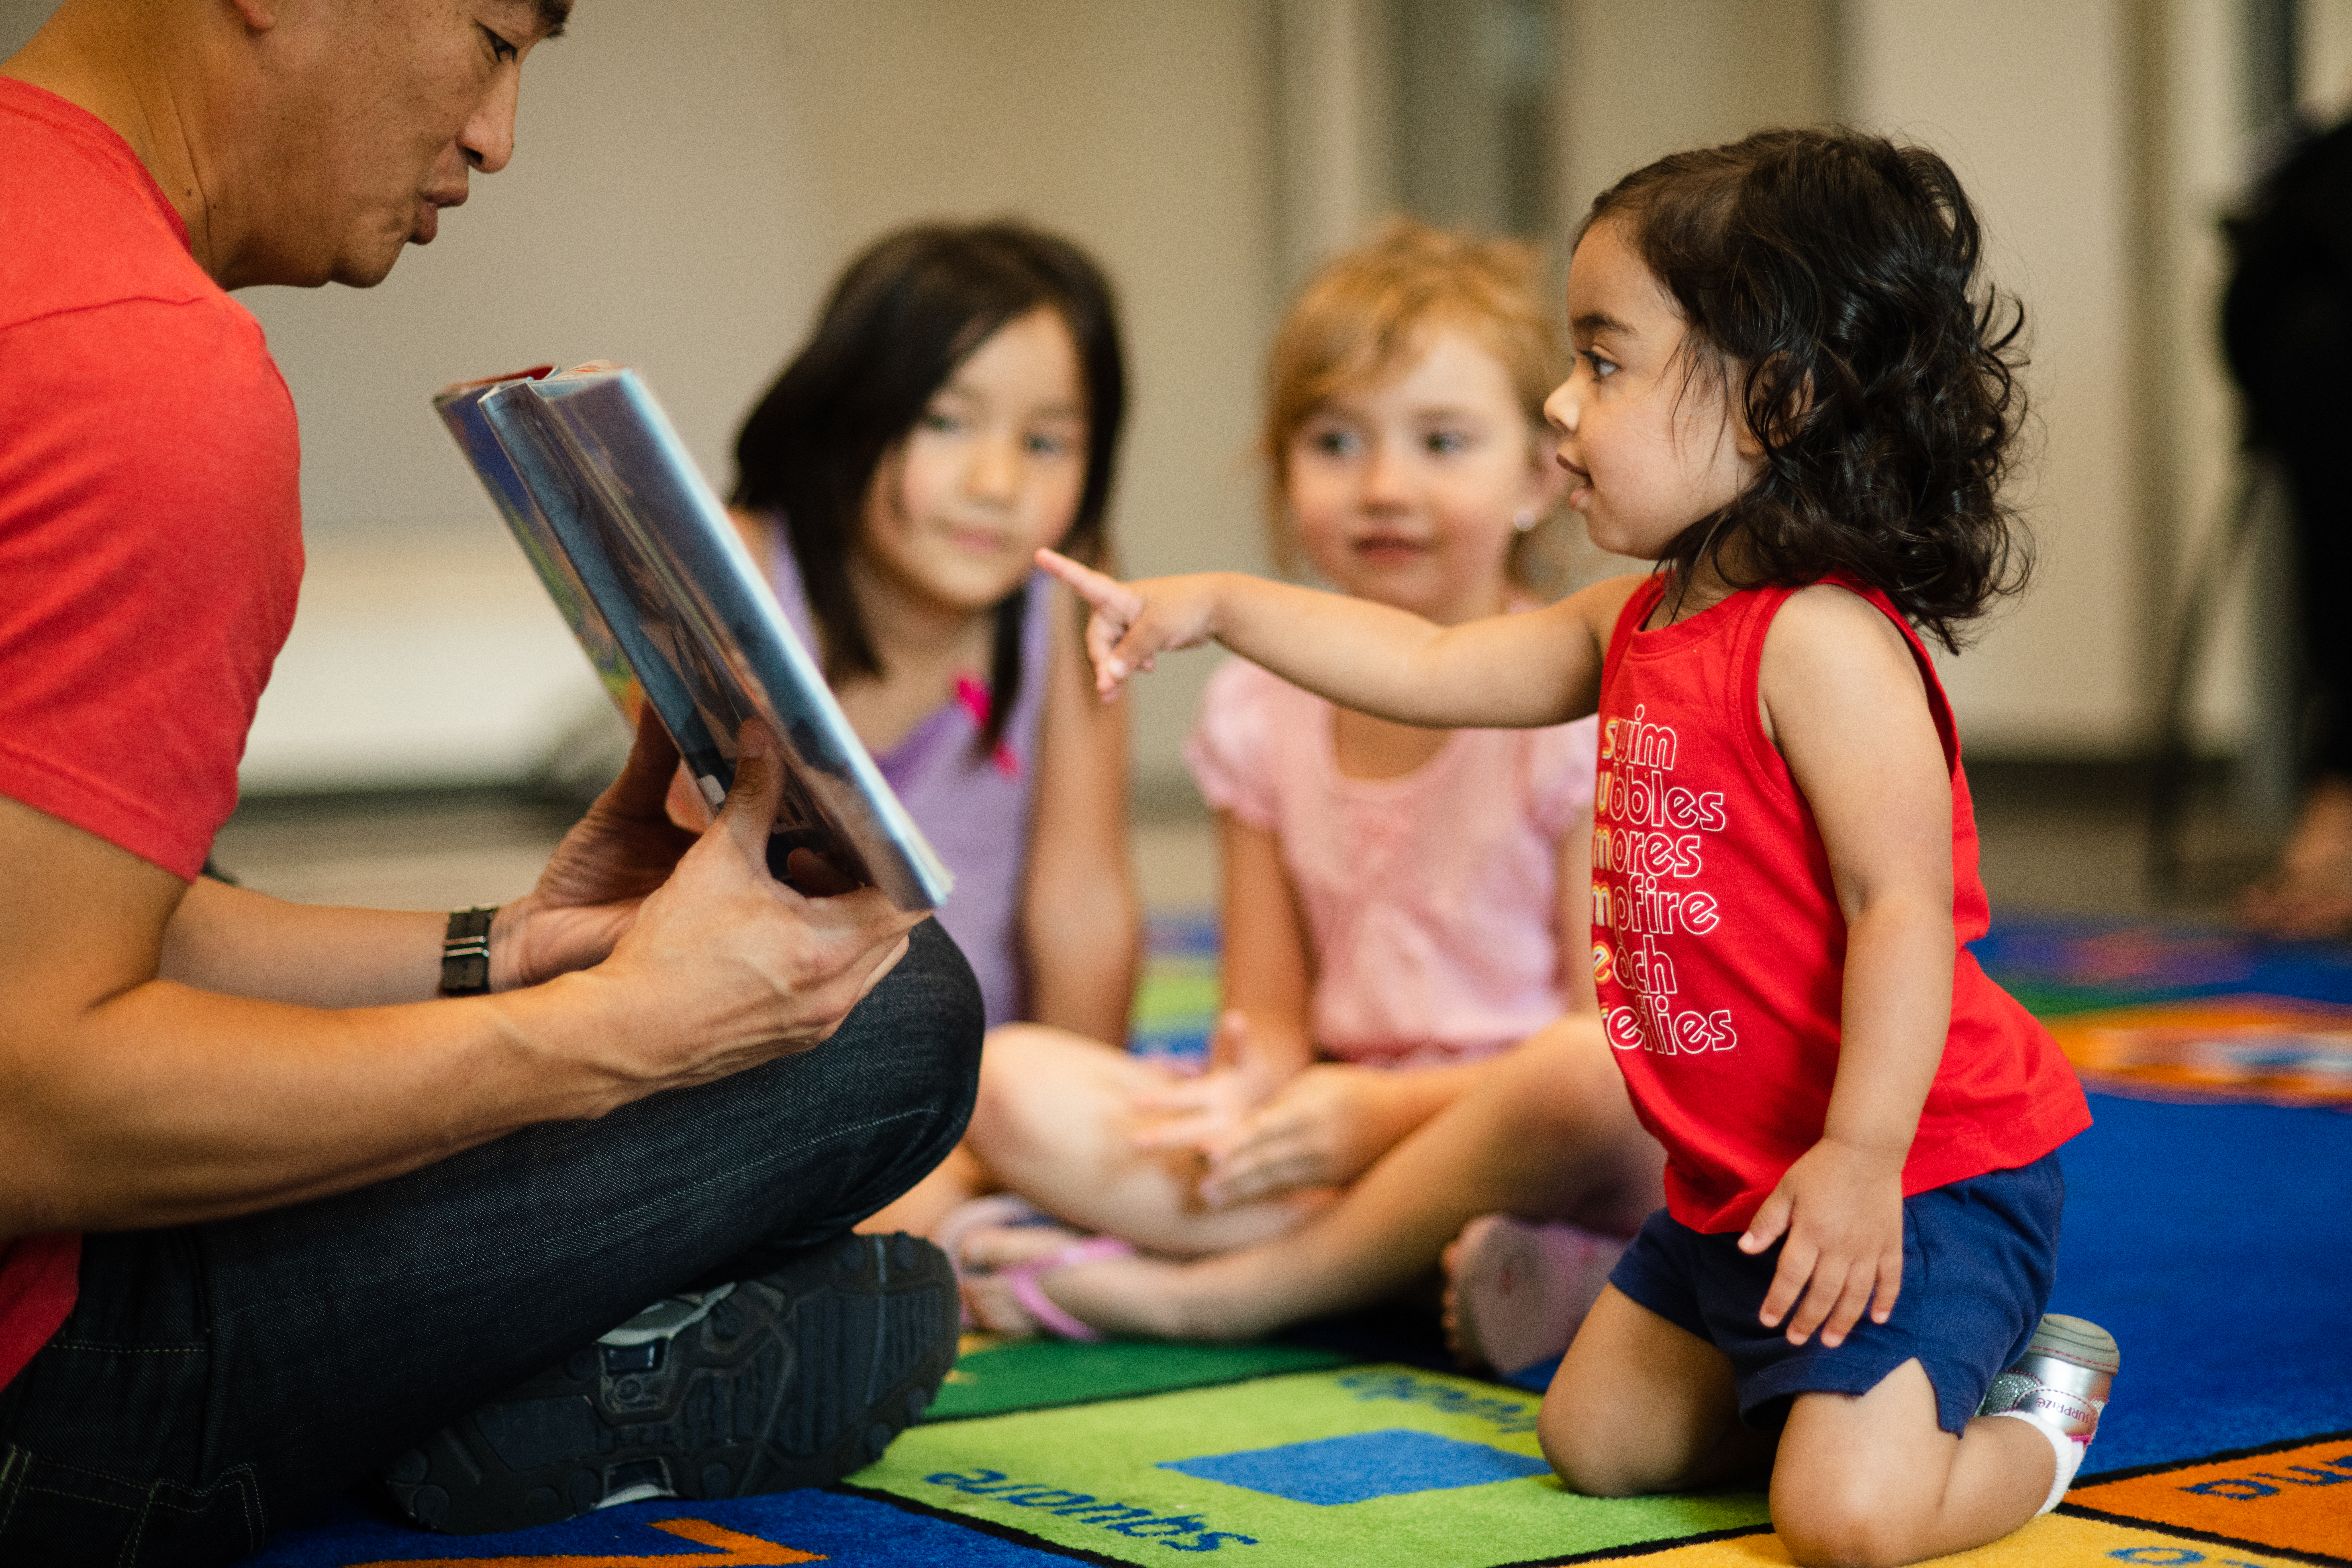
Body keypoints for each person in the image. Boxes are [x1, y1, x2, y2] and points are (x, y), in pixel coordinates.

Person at [1035, 129, 2119, 1568]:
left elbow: (1905, 905)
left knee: (1848, 1527)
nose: (1559, 405)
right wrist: (1221, 604)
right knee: (1595, 1441)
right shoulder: (1637, 624)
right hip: (1739, 1178)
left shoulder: (1828, 642)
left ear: (1781, 401)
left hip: (1912, 1171)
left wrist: (1862, 1157)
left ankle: (2033, 1406)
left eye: (1603, 362)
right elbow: (1423, 661)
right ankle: (1843, 1403)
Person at [0, 1, 979, 1559]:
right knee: (897, 1015)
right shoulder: (141, 372)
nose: (496, 135)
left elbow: (67, 918)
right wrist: (598, 1038)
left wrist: (506, 950)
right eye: (494, 35)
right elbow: (26, 1109)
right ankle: (554, 1388)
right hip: (42, 1396)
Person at [939, 224, 1661, 1372]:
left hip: (1534, 1124)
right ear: (1284, 475)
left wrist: (1381, 1116)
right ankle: (1451, 1274)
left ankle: (1281, 1279)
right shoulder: (1253, 713)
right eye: (1336, 441)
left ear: (1537, 473)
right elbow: (1268, 1004)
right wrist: (1252, 1090)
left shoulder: (1579, 702)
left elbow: (1610, 1036)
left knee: (1594, 1087)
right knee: (1012, 1075)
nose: (1384, 486)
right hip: (1336, 1132)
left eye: (1442, 440)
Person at [728, 221, 1140, 1043]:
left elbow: (1084, 898)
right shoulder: (743, 566)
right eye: (949, 424)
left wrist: (1073, 1119)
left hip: (982, 1089)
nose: (996, 483)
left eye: (1045, 442)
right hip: (762, 1080)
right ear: (847, 417)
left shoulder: (1065, 596)